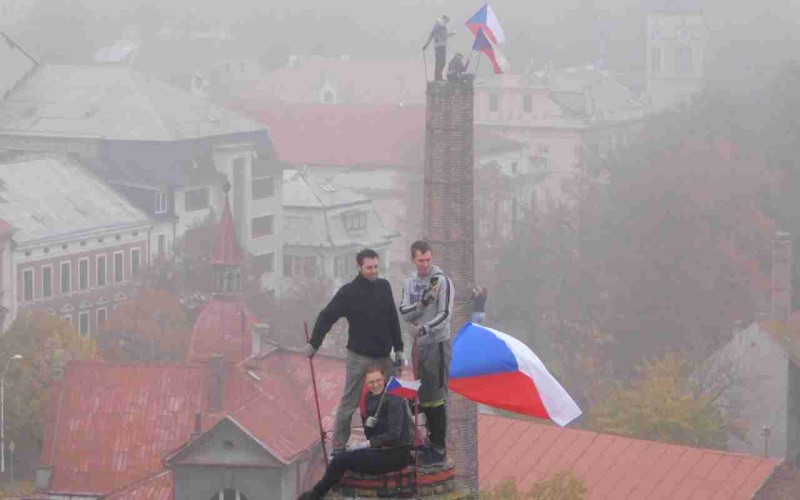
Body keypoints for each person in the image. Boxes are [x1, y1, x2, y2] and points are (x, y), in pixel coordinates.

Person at [304, 248, 404, 454]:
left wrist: (400, 349)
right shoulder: (348, 292)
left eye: (376, 266)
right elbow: (327, 316)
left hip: (384, 356)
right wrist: (314, 343)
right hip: (359, 357)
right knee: (349, 403)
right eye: (369, 268)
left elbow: (393, 319)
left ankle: (405, 438)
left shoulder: (384, 287)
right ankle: (338, 447)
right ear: (358, 267)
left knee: (397, 396)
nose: (374, 271)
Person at [298, 366, 414, 500]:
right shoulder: (370, 399)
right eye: (371, 382)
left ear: (384, 379)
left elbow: (394, 434)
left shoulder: (395, 400)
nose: (376, 385)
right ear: (365, 381)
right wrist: (369, 426)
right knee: (344, 455)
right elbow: (371, 434)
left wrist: (367, 444)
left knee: (340, 460)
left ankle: (316, 494)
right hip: (380, 450)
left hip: (396, 453)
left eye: (379, 380)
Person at [398, 240, 453, 466]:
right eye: (421, 260)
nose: (425, 264)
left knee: (436, 395)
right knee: (424, 395)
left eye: (428, 260)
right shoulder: (409, 283)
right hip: (417, 347)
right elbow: (405, 311)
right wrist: (423, 303)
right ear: (413, 259)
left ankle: (439, 448)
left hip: (437, 344)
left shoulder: (441, 281)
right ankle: (430, 442)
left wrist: (425, 328)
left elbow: (445, 314)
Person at [422, 15, 454, 81]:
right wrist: (451, 34)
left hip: (439, 46)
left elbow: (434, 36)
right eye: (447, 20)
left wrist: (426, 45)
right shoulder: (440, 25)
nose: (447, 22)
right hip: (440, 46)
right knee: (441, 62)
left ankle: (438, 77)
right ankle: (438, 77)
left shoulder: (438, 26)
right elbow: (433, 35)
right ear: (444, 19)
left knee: (439, 62)